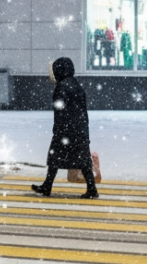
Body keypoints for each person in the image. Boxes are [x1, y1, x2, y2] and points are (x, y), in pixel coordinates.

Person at [32, 57, 98, 198]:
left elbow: (60, 111)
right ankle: (92, 188)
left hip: (66, 130)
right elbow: (83, 112)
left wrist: (58, 130)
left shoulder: (61, 87)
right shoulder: (77, 86)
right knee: (83, 160)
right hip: (79, 129)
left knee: (55, 158)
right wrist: (84, 132)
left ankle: (47, 186)